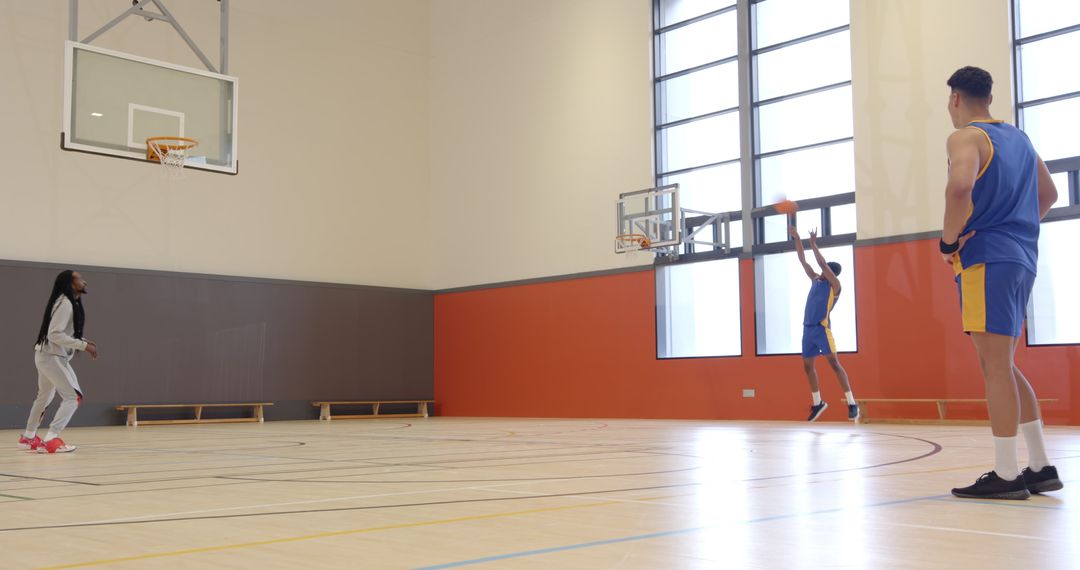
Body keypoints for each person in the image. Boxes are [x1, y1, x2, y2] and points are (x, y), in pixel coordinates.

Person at [940, 66, 1061, 499]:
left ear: (955, 98)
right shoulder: (1021, 139)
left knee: (994, 367)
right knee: (1005, 365)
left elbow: (959, 188)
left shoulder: (966, 137)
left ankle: (1007, 474)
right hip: (1023, 258)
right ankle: (1041, 466)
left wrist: (947, 242)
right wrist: (1016, 227)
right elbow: (1049, 196)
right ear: (988, 96)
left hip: (987, 259)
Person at [17, 270, 99, 454]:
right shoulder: (66, 304)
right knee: (73, 397)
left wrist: (83, 342)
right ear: (71, 283)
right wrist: (82, 345)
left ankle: (28, 437)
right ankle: (51, 439)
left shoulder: (64, 301)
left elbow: (61, 332)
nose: (85, 281)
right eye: (80, 279)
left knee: (44, 396)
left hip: (44, 355)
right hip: (52, 357)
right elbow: (55, 334)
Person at [790, 227, 858, 422]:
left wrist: (813, 243)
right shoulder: (815, 280)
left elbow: (820, 261)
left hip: (822, 330)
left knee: (834, 364)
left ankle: (852, 403)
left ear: (831, 273)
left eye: (825, 269)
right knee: (807, 367)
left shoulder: (835, 286)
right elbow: (803, 260)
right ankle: (818, 402)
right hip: (807, 330)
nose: (821, 270)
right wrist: (797, 239)